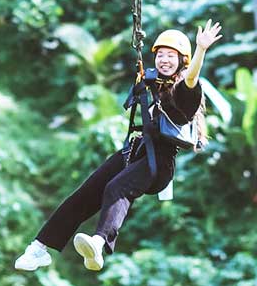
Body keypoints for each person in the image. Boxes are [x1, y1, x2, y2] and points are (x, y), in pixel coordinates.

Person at [14, 20, 222, 272]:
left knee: (117, 188)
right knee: (85, 194)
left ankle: (98, 243)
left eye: (171, 56)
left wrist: (201, 50)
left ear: (182, 61)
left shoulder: (185, 93)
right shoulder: (151, 82)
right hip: (135, 151)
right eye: (161, 55)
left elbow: (191, 79)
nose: (164, 60)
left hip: (159, 162)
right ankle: (39, 248)